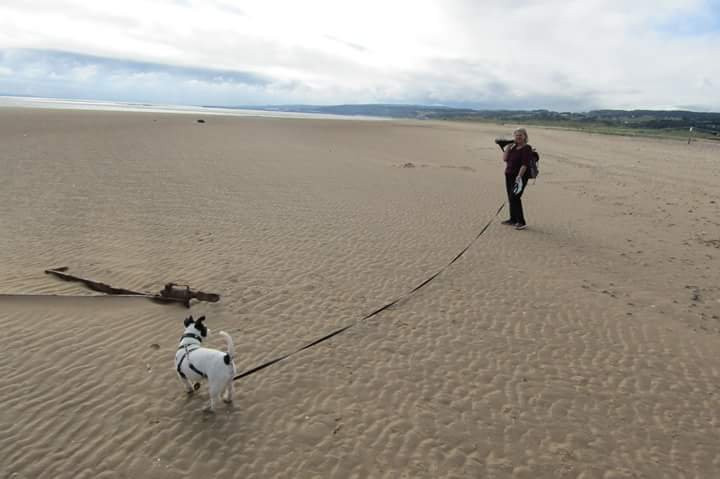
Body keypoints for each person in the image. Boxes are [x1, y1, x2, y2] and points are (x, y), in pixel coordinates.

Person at [501, 128, 533, 230]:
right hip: (509, 175)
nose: (518, 137)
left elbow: (524, 164)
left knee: (515, 197)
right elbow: (505, 159)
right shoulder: (513, 147)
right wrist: (508, 148)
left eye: (520, 135)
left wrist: (519, 177)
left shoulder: (526, 148)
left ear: (525, 137)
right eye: (516, 135)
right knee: (511, 197)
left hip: (520, 177)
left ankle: (521, 221)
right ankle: (513, 219)